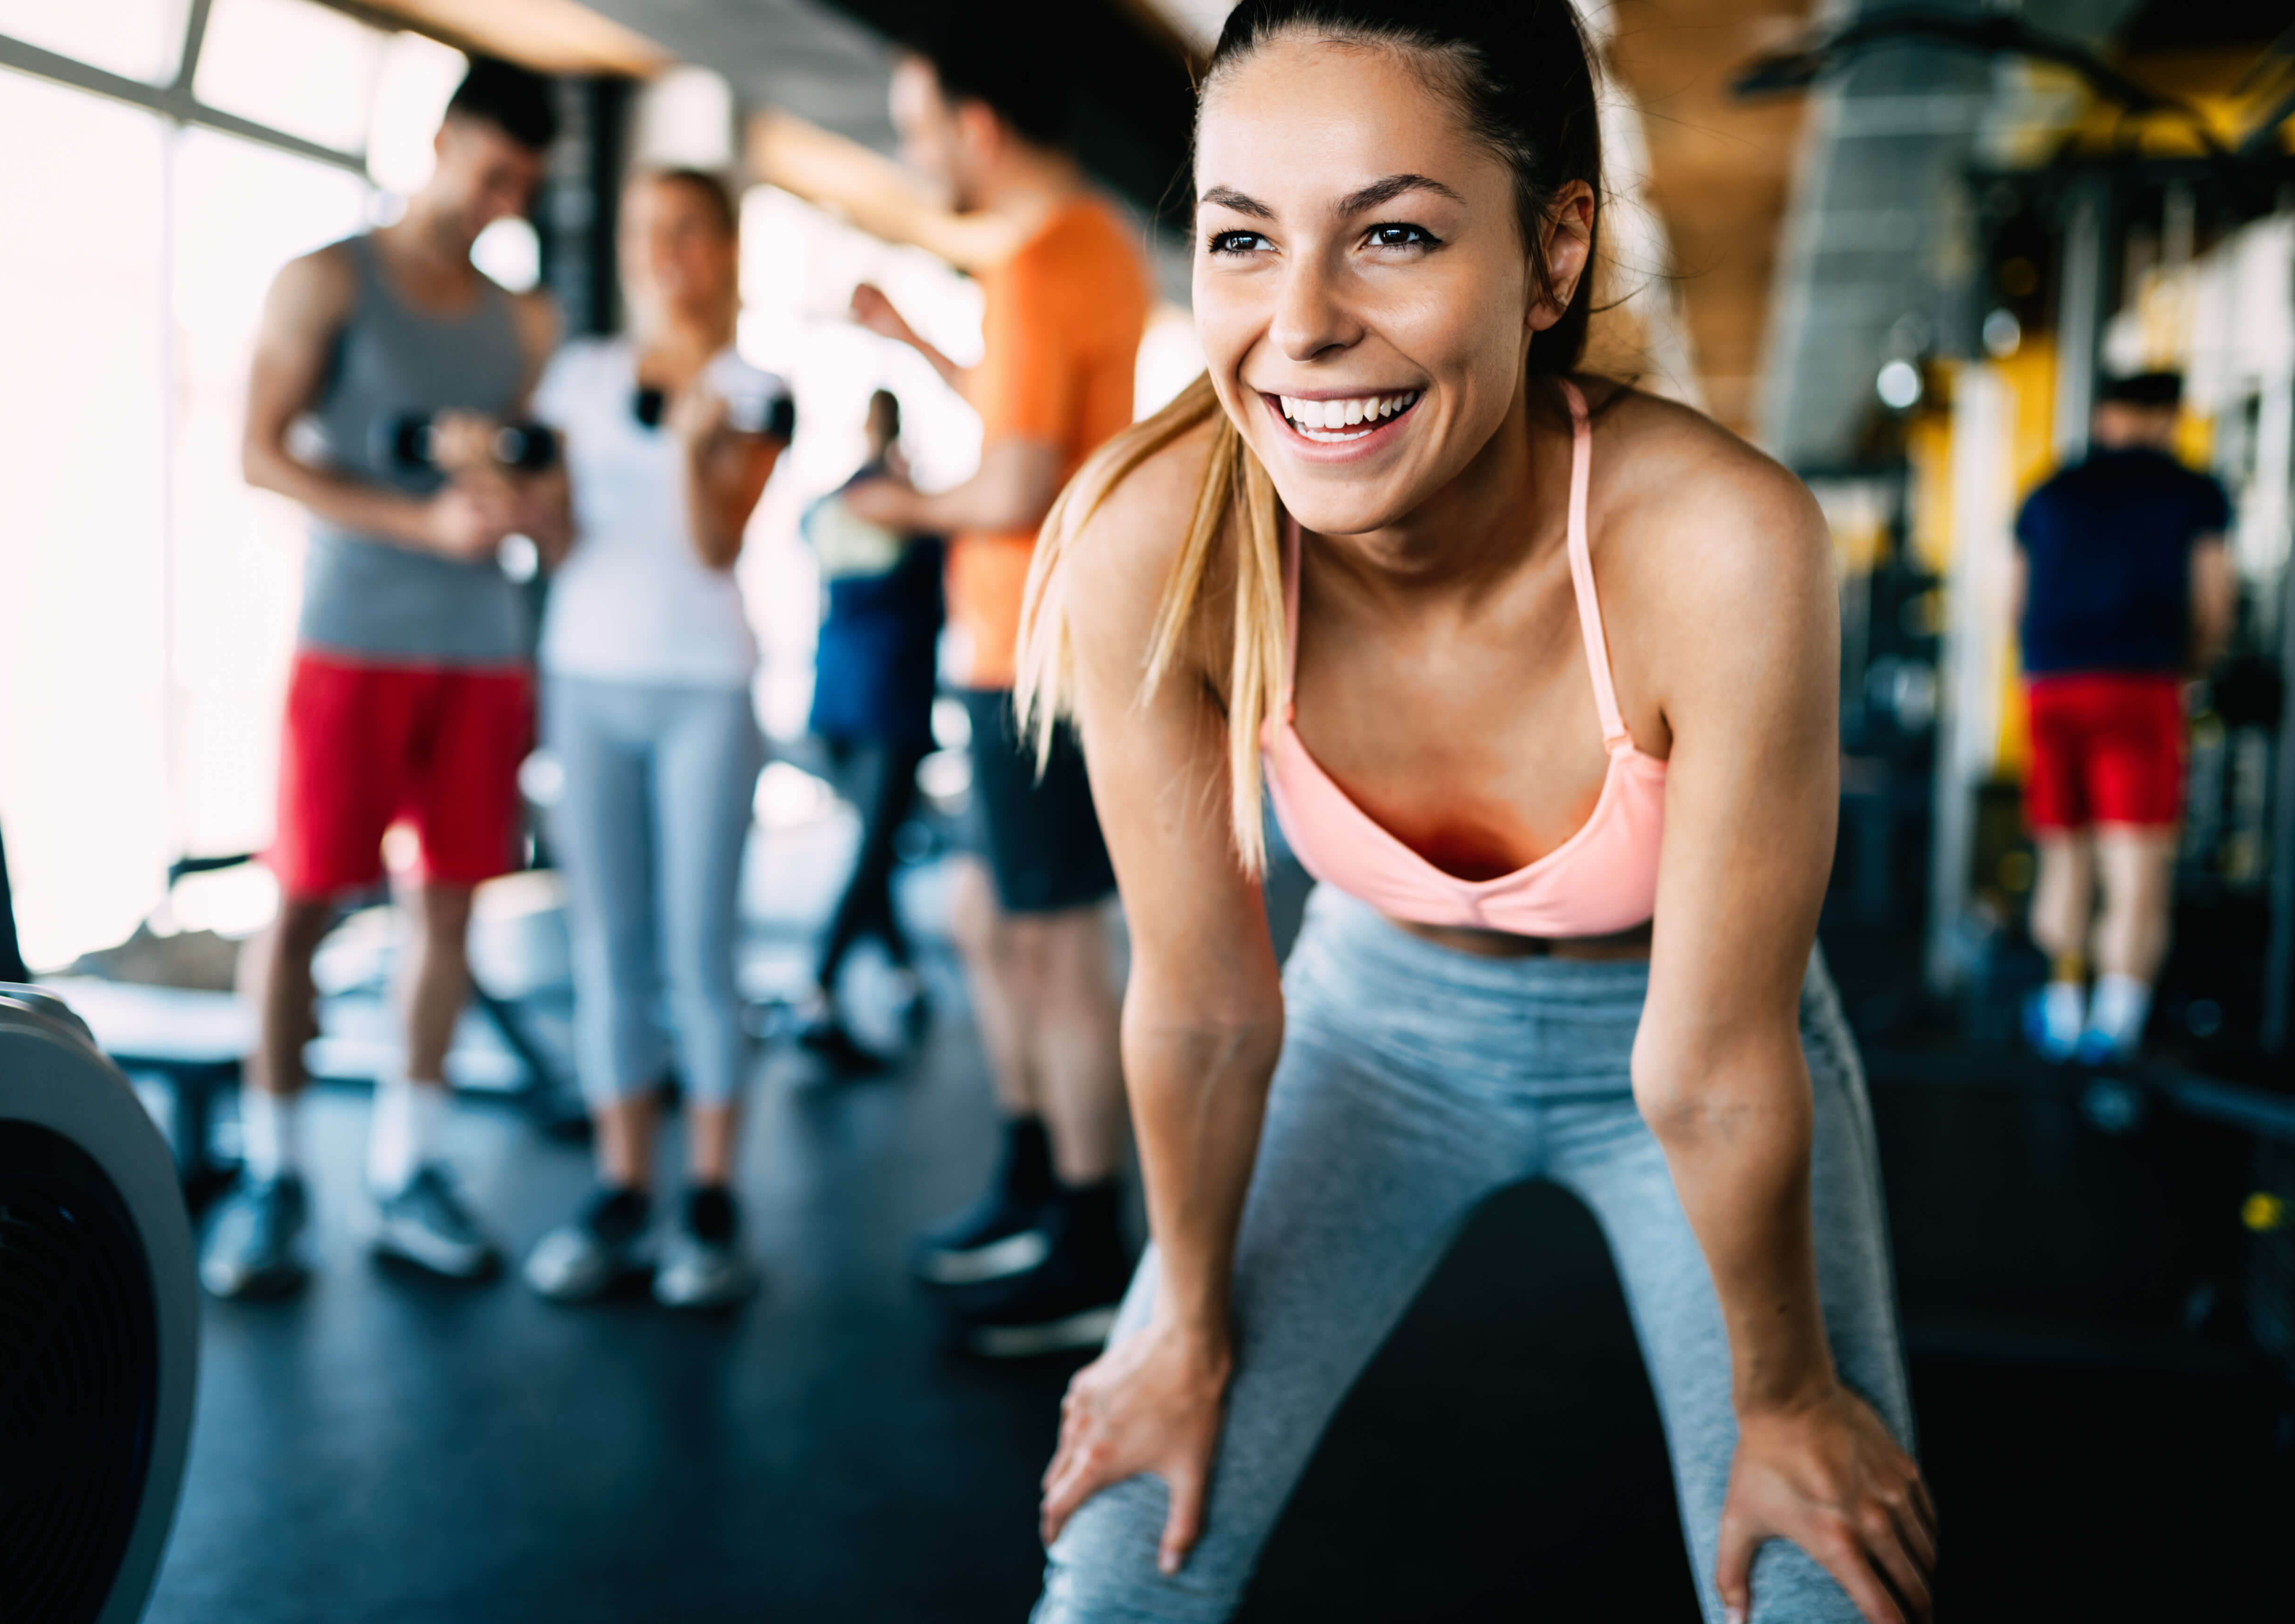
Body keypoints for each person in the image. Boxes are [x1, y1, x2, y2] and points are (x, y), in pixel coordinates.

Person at [1015, 4, 1930, 1621]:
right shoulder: (1150, 544)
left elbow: (1709, 1070)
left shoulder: (1720, 546)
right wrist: (1176, 1327)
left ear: (1553, 247)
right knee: (1110, 1571)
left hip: (1691, 1038)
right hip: (1371, 1029)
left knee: (1820, 1585)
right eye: (1241, 238)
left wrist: (1785, 1400)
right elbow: (1209, 1010)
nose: (1295, 324)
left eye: (1391, 235)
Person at [768, 22, 1154, 1354]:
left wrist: (898, 503)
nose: (911, 149)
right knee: (999, 920)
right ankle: (1036, 1184)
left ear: (977, 126)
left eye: (918, 122)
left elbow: (1014, 480)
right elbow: (1023, 417)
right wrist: (919, 345)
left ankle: (1090, 1240)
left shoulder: (1045, 265)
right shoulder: (1081, 248)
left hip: (1033, 653)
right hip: (1030, 647)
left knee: (1052, 944)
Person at [203, 57, 567, 1300]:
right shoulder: (324, 280)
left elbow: (533, 483)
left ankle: (410, 1169)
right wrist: (419, 527)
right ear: (447, 139)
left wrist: (516, 500)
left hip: (478, 652)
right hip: (351, 638)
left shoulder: (522, 322)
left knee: (451, 912)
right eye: (494, 173)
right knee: (303, 905)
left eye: (525, 187)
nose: (503, 202)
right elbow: (258, 455)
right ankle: (274, 1174)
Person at [519, 168, 790, 1308]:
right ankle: (625, 1187)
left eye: (685, 233)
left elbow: (717, 544)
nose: (662, 255)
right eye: (644, 233)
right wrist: (512, 484)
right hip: (586, 675)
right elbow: (558, 529)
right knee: (607, 947)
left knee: (697, 951)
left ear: (723, 250)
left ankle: (711, 1200)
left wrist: (689, 439)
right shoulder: (579, 377)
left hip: (703, 687)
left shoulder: (755, 390)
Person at [2017, 370, 2235, 1064]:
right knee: (2136, 862)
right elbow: (2214, 601)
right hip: (2139, 689)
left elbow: (2011, 599)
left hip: (2050, 688)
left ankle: (2062, 1004)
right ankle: (2116, 1025)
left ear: (2106, 414)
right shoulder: (2191, 488)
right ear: (2167, 417)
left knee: (2063, 857)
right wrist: (2193, 668)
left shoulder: (2050, 489)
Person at [794, 389, 945, 1072]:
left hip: (837, 695)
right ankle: (818, 989)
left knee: (874, 845)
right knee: (875, 850)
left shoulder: (830, 506)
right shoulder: (909, 509)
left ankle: (900, 971)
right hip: (889, 698)